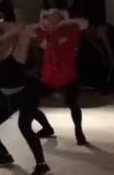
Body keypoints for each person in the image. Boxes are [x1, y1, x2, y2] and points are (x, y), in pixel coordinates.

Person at [0, 20, 49, 175]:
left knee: (24, 126)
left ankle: (42, 164)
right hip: (7, 98)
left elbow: (22, 29)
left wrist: (8, 29)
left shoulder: (18, 52)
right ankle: (4, 156)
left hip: (26, 94)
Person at [33, 10, 90, 146]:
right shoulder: (42, 32)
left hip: (68, 75)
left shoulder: (70, 29)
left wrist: (64, 22)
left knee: (72, 104)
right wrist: (41, 21)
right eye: (49, 18)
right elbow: (26, 29)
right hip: (48, 77)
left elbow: (85, 23)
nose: (51, 20)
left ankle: (79, 132)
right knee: (29, 102)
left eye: (55, 17)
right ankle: (47, 128)